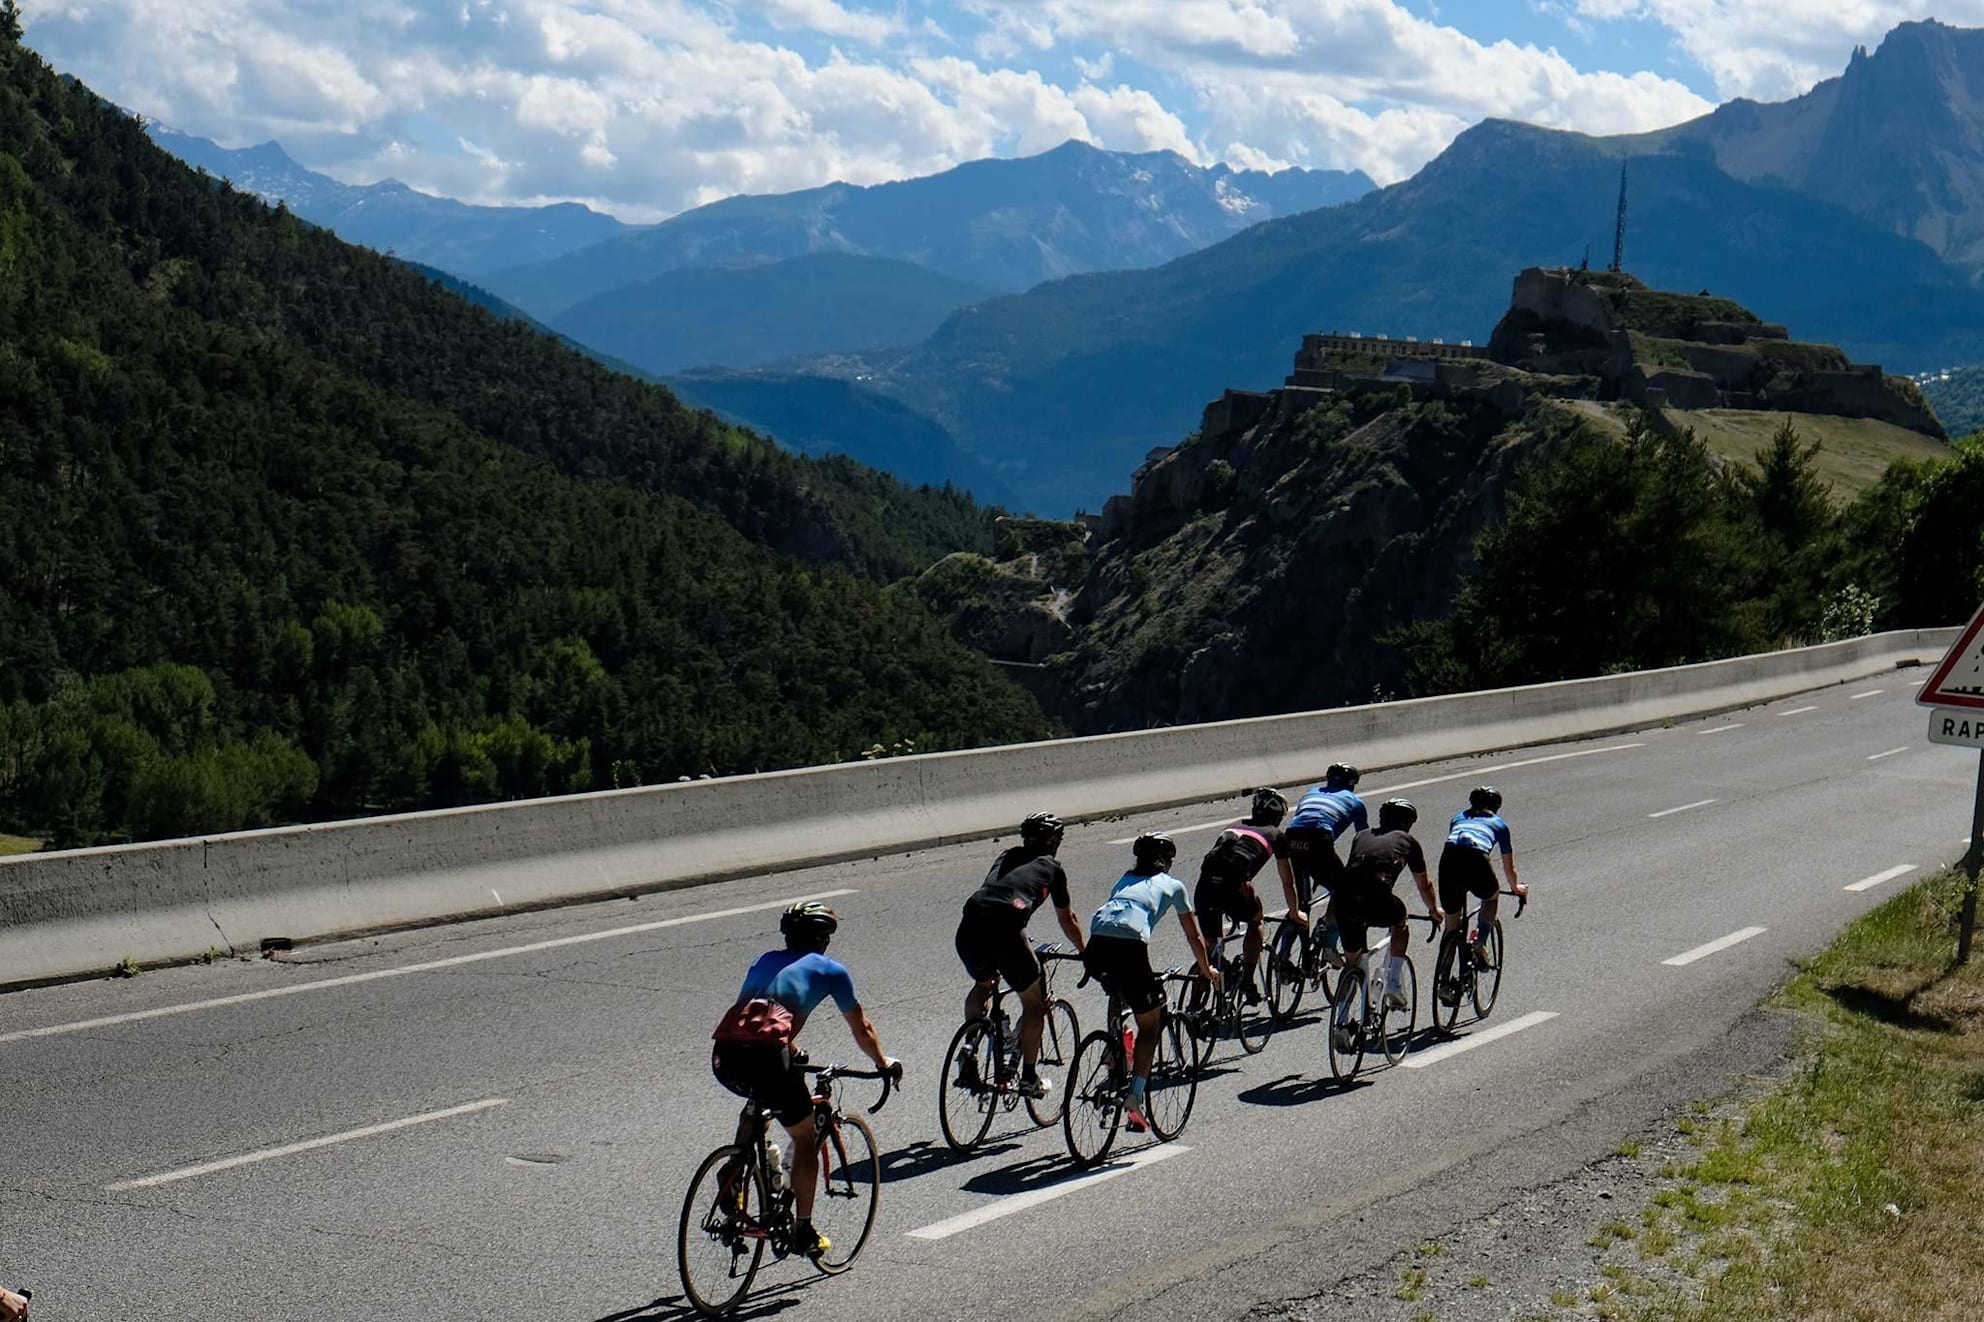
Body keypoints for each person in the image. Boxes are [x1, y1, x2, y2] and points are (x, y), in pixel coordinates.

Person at [711, 901, 900, 1260]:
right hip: (768, 1058)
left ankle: (735, 1169)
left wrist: (793, 1048)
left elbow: (754, 1015)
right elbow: (862, 1027)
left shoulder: (764, 960)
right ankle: (803, 1230)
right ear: (824, 938)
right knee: (804, 1135)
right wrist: (883, 1062)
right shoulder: (831, 970)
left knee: (759, 1098)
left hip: (725, 1055)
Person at [1084, 833, 1221, 1133]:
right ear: (1168, 860)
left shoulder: (1125, 879)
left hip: (1095, 947)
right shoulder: (1173, 885)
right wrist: (1206, 969)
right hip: (1129, 947)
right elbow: (1193, 935)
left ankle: (1115, 1046)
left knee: (1119, 988)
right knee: (1150, 1024)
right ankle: (1134, 1096)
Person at [954, 810, 1086, 1099]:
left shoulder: (1006, 855)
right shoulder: (1053, 868)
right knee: (1033, 1004)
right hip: (1008, 930)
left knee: (983, 984)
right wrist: (1085, 952)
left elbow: (1000, 894)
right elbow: (1068, 919)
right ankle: (1028, 1076)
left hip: (971, 923)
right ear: (1053, 840)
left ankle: (970, 1046)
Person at [1334, 799, 1441, 1022]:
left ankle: (1341, 1023)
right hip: (1377, 898)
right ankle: (1394, 980)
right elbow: (1424, 885)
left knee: (1352, 963)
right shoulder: (1408, 841)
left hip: (1344, 901)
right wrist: (1433, 910)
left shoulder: (1361, 835)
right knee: (1400, 920)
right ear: (1407, 822)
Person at [1193, 788, 1304, 1003]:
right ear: (1278, 815)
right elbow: (1287, 882)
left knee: (1210, 949)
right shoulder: (1275, 835)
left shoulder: (1233, 826)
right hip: (1233, 889)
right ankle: (1247, 979)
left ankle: (1194, 1006)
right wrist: (1294, 912)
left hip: (1204, 889)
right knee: (1256, 920)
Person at [1439, 786, 1526, 984]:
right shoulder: (1499, 824)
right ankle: (1480, 942)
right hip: (1476, 858)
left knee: (1451, 926)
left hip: (1449, 859)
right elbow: (1508, 866)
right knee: (1491, 898)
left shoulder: (1458, 817)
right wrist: (1516, 888)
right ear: (1496, 806)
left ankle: (1443, 981)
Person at [1283, 763, 1368, 944]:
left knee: (1300, 903)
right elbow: (1363, 839)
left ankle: (1284, 952)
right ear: (1351, 784)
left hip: (1291, 837)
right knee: (1343, 891)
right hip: (1319, 838)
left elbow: (1302, 820)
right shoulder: (1355, 802)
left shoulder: (1311, 792)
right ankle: (1330, 945)